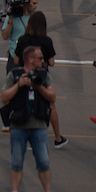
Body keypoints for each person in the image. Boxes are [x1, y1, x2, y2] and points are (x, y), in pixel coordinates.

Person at [0, 45, 58, 192]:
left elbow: (52, 96)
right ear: (31, 59)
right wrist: (19, 85)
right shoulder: (15, 75)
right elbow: (4, 97)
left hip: (38, 124)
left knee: (44, 162)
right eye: (40, 58)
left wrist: (38, 86)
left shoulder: (43, 76)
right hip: (18, 125)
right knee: (16, 161)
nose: (43, 61)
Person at [14, 11, 66, 148]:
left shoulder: (23, 40)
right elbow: (52, 62)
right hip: (41, 76)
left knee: (25, 104)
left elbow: (16, 60)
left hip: (25, 75)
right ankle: (57, 137)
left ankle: (26, 137)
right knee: (50, 105)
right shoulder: (46, 41)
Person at [1, 0, 39, 73]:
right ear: (26, 3)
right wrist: (10, 20)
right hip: (15, 57)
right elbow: (5, 36)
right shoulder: (14, 16)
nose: (36, 6)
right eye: (34, 3)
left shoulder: (35, 18)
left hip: (30, 59)